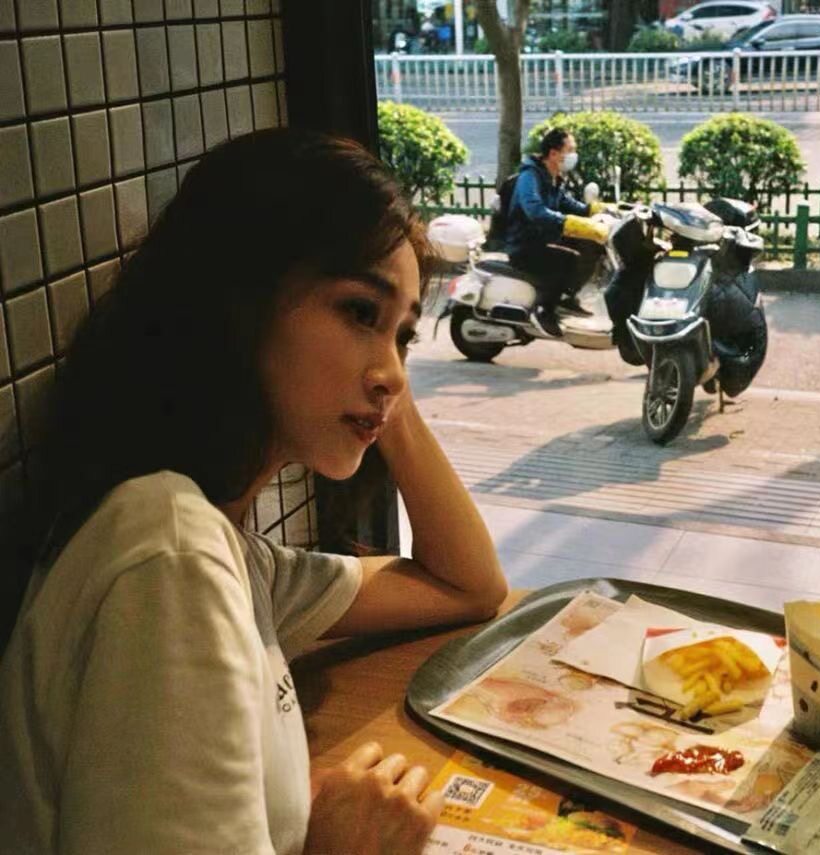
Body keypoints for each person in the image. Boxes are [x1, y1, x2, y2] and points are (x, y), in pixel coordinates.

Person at [0, 129, 509, 854]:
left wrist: (381, 389)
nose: (395, 371)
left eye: (403, 335)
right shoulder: (173, 558)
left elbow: (469, 585)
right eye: (359, 311)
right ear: (237, 299)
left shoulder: (226, 553)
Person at [506, 128, 609, 338]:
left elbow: (568, 204)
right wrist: (565, 222)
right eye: (569, 150)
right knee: (568, 259)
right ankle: (543, 309)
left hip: (545, 238)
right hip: (524, 245)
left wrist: (596, 210)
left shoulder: (552, 177)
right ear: (553, 154)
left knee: (593, 245)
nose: (573, 155)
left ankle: (565, 297)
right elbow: (534, 210)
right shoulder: (530, 176)